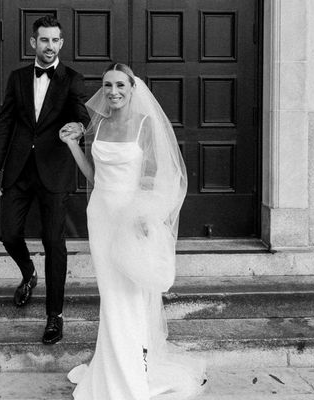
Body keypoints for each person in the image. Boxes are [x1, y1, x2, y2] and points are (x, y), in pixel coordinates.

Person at [60, 63, 206, 399]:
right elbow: (95, 177)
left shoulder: (145, 124)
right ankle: (111, 367)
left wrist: (144, 216)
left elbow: (157, 175)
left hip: (131, 217)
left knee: (128, 296)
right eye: (108, 85)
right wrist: (71, 145)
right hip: (101, 215)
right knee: (110, 295)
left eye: (120, 86)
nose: (113, 92)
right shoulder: (98, 124)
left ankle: (130, 374)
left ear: (132, 88)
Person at [0, 15, 90, 345]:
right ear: (34, 43)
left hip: (54, 170)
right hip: (17, 169)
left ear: (61, 43)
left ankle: (54, 316)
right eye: (44, 40)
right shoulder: (17, 78)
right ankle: (29, 273)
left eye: (55, 41)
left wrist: (80, 127)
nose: (50, 46)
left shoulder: (72, 78)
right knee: (10, 234)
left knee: (54, 242)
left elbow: (80, 113)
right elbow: (4, 124)